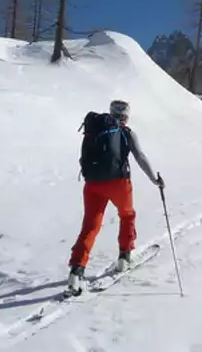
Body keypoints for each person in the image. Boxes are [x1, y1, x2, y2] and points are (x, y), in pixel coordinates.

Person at [67, 99, 165, 294]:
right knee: (127, 215)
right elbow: (140, 157)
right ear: (127, 117)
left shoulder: (95, 130)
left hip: (93, 184)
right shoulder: (127, 133)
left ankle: (76, 270)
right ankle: (124, 256)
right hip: (119, 183)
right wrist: (155, 179)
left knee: (90, 226)